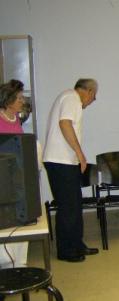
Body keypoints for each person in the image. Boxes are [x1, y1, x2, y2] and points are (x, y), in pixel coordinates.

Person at [43, 78, 99, 262]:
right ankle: (66, 251)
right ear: (89, 91)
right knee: (68, 207)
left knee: (74, 205)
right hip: (60, 161)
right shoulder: (72, 98)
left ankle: (76, 245)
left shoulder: (69, 97)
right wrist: (80, 153)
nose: (91, 101)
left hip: (65, 161)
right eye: (94, 96)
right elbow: (65, 123)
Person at [0, 79, 28, 269]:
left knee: (19, 218)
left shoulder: (16, 118)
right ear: (8, 100)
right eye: (18, 98)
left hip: (17, 174)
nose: (22, 101)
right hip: (3, 177)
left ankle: (18, 263)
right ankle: (4, 263)